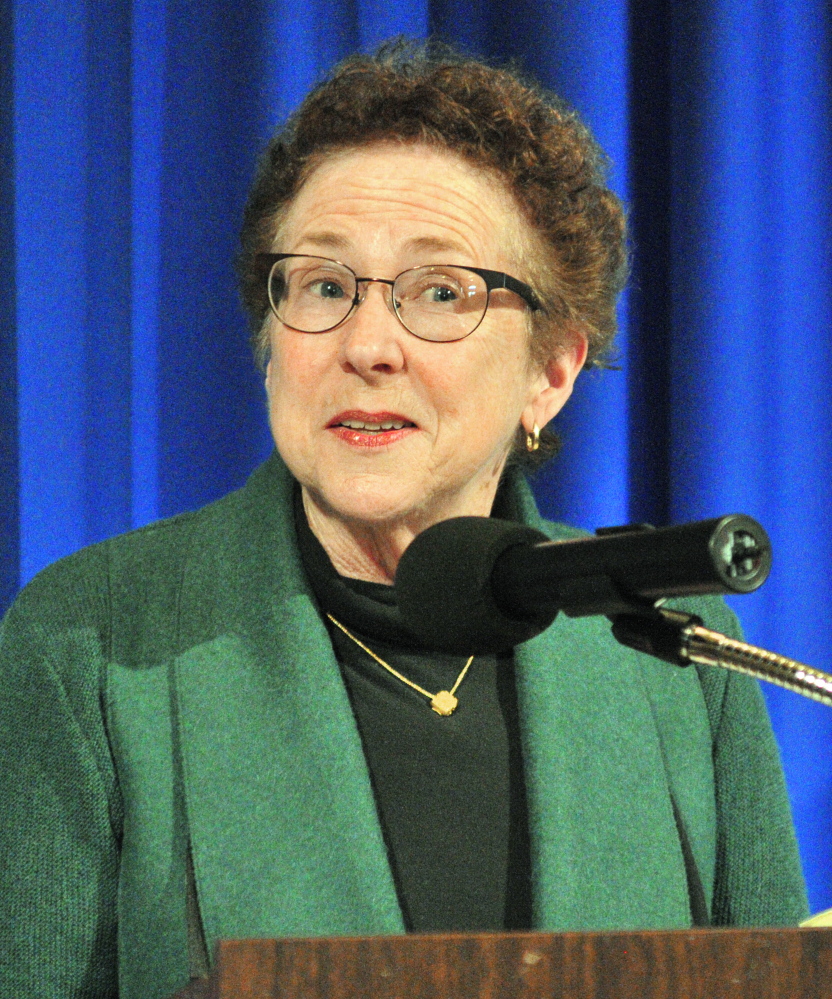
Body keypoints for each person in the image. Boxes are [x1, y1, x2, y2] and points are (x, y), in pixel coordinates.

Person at [0, 41, 807, 999]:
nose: (369, 345)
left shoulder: (676, 652)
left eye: (439, 292)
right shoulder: (91, 639)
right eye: (325, 286)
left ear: (551, 372)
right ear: (271, 339)